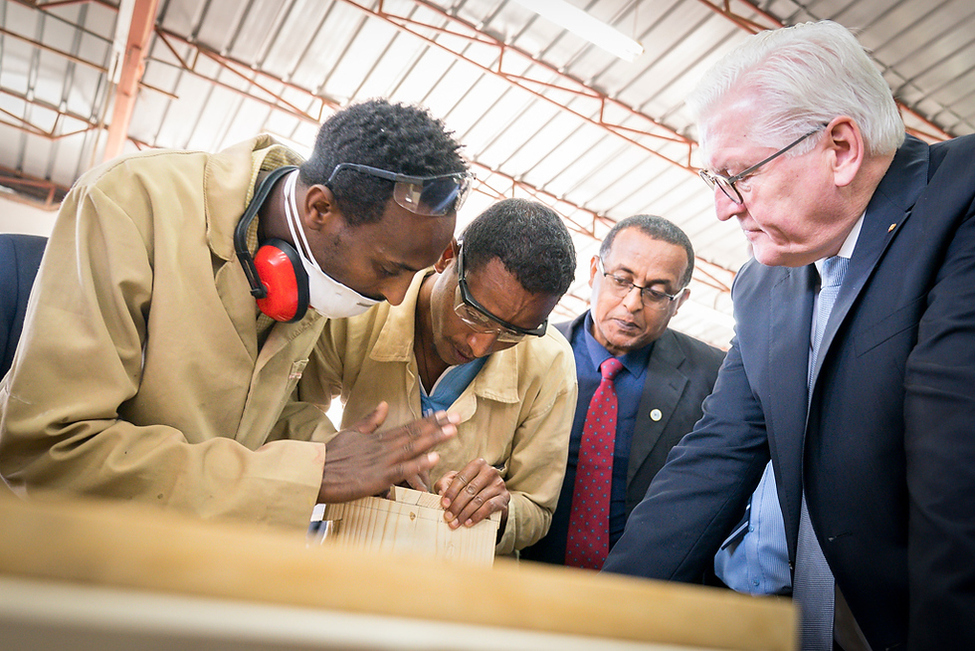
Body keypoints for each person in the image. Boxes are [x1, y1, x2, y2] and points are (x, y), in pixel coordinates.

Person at [602, 20, 975, 651]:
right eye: (713, 183)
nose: (723, 209)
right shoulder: (762, 285)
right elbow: (715, 455)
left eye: (738, 176)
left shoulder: (960, 201)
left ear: (840, 149)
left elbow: (958, 469)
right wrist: (595, 616)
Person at [0, 98, 473, 529]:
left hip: (193, 550)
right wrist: (307, 476)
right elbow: (50, 450)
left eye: (412, 275)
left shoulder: (316, 258)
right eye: (389, 269)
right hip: (74, 553)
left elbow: (247, 405)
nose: (395, 297)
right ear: (319, 208)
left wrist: (346, 453)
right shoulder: (131, 202)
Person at [299, 198, 578, 554]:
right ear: (448, 256)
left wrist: (500, 508)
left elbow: (537, 509)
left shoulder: (550, 360)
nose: (480, 345)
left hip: (460, 581)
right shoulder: (366, 304)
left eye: (513, 332)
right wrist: (352, 461)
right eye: (474, 314)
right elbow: (287, 411)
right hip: (350, 554)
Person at [520, 215, 724, 568]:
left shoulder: (713, 377)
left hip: (647, 594)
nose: (632, 303)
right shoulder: (530, 353)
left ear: (680, 301)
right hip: (529, 579)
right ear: (594, 271)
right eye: (621, 280)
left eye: (657, 292)